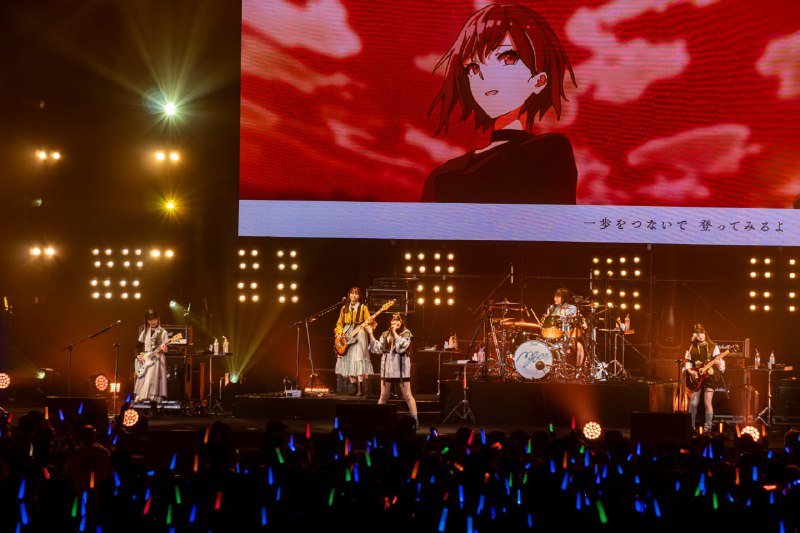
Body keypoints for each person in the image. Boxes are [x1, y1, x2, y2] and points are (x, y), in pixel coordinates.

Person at [422, 3, 577, 204]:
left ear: (539, 81)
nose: (486, 75)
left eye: (508, 59)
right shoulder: (442, 175)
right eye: (473, 68)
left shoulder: (548, 151)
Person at [365, 313, 418, 428]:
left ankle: (415, 421)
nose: (395, 322)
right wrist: (370, 334)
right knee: (383, 395)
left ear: (401, 322)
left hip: (401, 369)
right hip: (388, 368)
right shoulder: (385, 334)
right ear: (390, 322)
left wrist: (394, 333)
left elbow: (401, 348)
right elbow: (377, 349)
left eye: (397, 320)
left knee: (408, 396)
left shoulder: (406, 333)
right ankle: (377, 420)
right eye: (393, 320)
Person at [334, 287, 374, 396]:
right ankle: (354, 387)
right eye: (352, 293)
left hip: (359, 333)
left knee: (358, 358)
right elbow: (339, 323)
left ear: (359, 296)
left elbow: (369, 322)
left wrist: (371, 321)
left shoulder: (363, 308)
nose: (354, 295)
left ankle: (361, 388)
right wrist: (339, 333)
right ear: (349, 295)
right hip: (346, 334)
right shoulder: (344, 308)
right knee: (348, 358)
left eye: (356, 294)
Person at [685, 323, 725, 433]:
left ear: (705, 333)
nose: (700, 336)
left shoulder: (713, 346)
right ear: (694, 336)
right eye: (697, 334)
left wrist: (719, 364)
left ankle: (708, 428)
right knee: (693, 403)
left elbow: (719, 362)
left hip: (710, 377)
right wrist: (691, 372)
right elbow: (687, 362)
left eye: (702, 333)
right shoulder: (691, 347)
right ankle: (690, 427)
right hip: (697, 377)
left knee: (707, 402)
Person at [134, 309, 170, 403]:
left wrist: (164, 349)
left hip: (158, 358)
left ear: (157, 319)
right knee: (144, 379)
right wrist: (138, 355)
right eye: (150, 320)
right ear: (147, 321)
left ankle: (154, 401)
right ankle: (143, 399)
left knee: (154, 380)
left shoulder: (163, 332)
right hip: (146, 357)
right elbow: (138, 346)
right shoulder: (145, 331)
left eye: (154, 319)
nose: (152, 322)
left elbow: (166, 350)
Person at [543, 288, 584, 370]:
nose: (555, 298)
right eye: (554, 297)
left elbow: (578, 321)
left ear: (564, 298)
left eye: (557, 297)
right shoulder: (552, 309)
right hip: (556, 334)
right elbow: (548, 323)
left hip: (569, 334)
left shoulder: (573, 308)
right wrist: (545, 319)